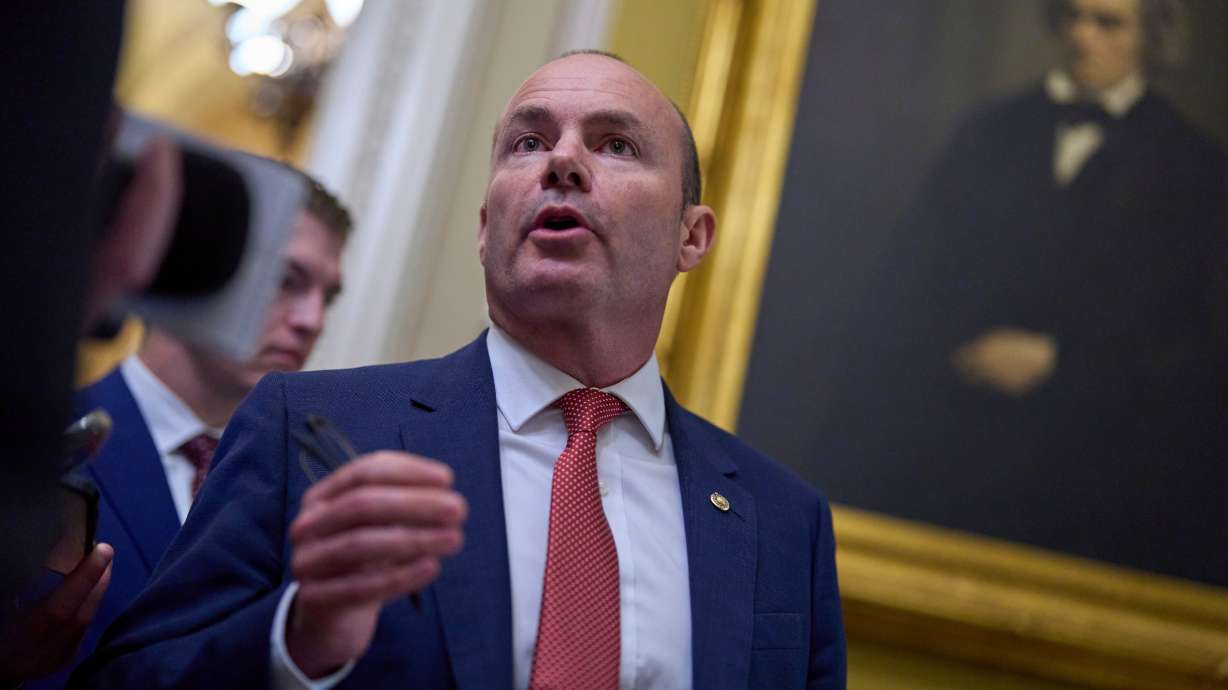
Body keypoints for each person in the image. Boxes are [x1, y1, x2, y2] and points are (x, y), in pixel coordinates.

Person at [72, 51, 846, 690]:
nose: (564, 162)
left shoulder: (785, 523)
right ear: (485, 227)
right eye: (528, 142)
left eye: (616, 145)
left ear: (692, 236)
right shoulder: (307, 429)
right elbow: (126, 679)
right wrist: (296, 640)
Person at [861, 0, 1228, 580]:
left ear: (1151, 40)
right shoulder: (990, 132)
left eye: (1108, 23)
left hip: (1104, 472)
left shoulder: (1196, 167)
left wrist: (1062, 365)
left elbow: (1197, 344)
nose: (1083, 37)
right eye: (1073, 18)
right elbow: (912, 278)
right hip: (959, 446)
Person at [21, 172, 350, 690]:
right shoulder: (40, 446)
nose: (313, 320)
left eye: (326, 297)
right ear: (194, 270)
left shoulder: (316, 489)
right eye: (287, 281)